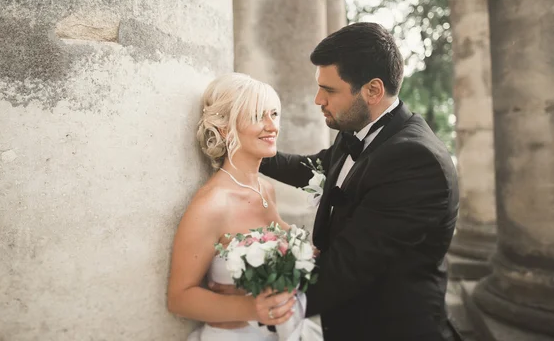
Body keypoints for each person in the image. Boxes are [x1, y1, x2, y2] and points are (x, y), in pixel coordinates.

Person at [256, 22, 461, 340]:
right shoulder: (356, 128)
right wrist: (253, 151)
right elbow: (315, 169)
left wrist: (258, 305)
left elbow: (349, 267)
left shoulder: (416, 161)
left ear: (373, 90)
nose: (317, 100)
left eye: (330, 90)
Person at [167, 73, 322, 340]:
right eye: (256, 116)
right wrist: (252, 308)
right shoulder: (212, 204)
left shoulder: (266, 189)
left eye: (274, 114)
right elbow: (179, 298)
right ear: (226, 128)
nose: (272, 125)